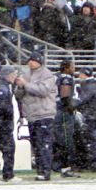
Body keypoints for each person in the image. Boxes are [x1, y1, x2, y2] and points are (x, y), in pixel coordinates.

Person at [16, 50, 58, 181]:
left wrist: (26, 85)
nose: (30, 62)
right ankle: (40, 169)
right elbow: (18, 94)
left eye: (33, 60)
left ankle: (46, 171)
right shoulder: (26, 74)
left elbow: (43, 90)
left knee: (44, 143)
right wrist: (20, 88)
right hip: (31, 115)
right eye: (29, 60)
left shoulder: (47, 75)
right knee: (36, 144)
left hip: (44, 114)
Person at [52, 61, 89, 178]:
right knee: (66, 141)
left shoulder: (57, 77)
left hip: (58, 111)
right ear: (66, 68)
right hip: (64, 112)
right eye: (72, 67)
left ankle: (60, 165)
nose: (74, 69)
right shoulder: (66, 78)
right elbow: (65, 96)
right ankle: (65, 167)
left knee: (62, 140)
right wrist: (71, 107)